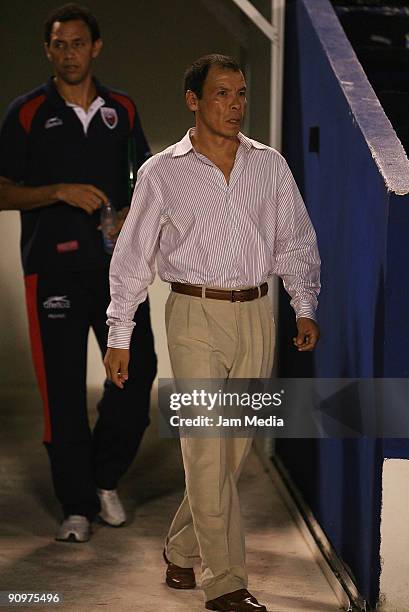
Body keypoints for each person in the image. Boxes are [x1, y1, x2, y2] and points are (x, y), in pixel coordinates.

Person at [104, 54, 320, 612]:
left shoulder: (269, 165)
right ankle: (224, 582)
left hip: (257, 314)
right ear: (194, 101)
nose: (235, 106)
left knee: (230, 454)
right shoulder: (161, 171)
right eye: (222, 94)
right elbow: (132, 257)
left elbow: (295, 239)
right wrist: (119, 333)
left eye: (242, 94)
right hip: (193, 314)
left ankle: (180, 549)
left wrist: (304, 304)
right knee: (205, 451)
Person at [0, 3, 157, 543]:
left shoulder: (124, 110)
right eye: (59, 44)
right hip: (51, 273)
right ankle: (76, 507)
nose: (69, 52)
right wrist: (58, 191)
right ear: (48, 50)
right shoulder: (26, 113)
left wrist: (131, 216)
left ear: (96, 47)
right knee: (61, 394)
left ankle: (103, 478)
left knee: (136, 383)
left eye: (78, 42)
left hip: (121, 276)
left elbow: (147, 185)